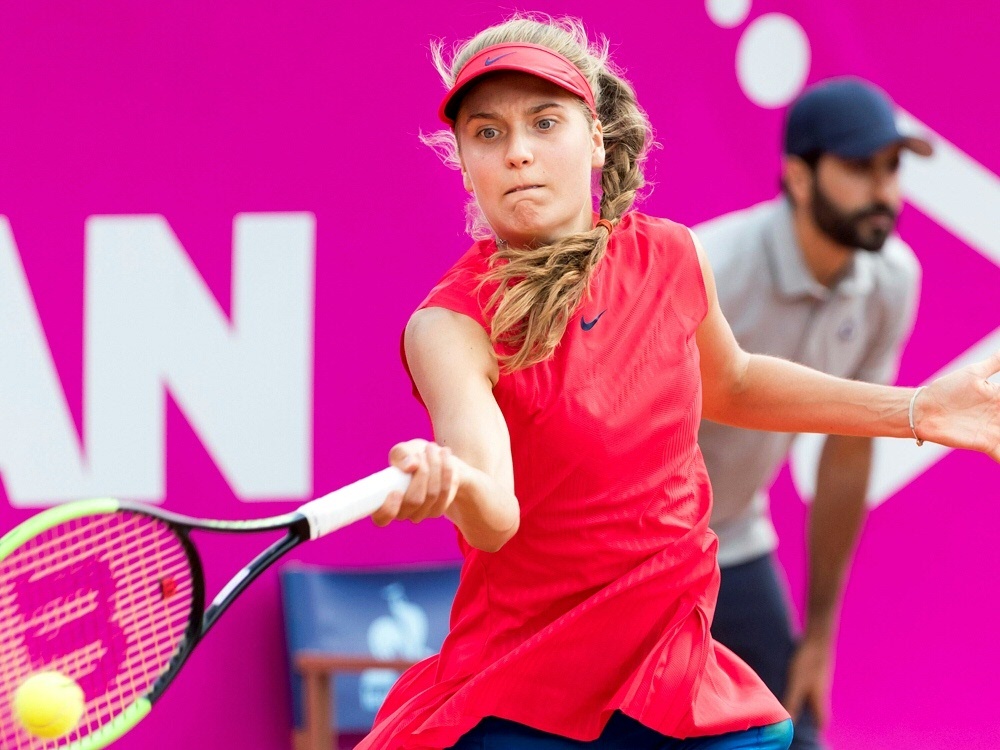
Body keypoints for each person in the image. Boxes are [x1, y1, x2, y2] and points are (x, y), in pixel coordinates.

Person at [356, 15, 999, 750]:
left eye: (544, 122)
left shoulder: (671, 256)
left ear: (596, 137)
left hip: (674, 673)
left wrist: (918, 408)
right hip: (529, 692)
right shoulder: (448, 325)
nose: (520, 154)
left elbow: (736, 382)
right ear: (464, 160)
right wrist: (454, 484)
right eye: (488, 133)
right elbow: (495, 513)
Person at [695, 78, 929, 750]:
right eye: (860, 168)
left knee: (798, 733)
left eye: (893, 167)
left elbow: (848, 452)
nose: (885, 191)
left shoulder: (891, 281)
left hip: (730, 537)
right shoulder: (709, 268)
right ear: (799, 178)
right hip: (622, 555)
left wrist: (819, 633)